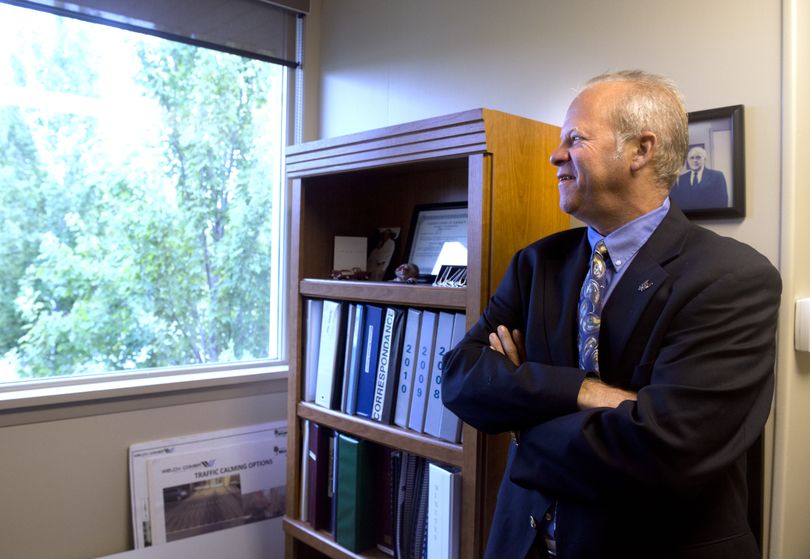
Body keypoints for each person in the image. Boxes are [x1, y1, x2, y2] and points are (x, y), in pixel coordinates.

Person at [441, 70, 781, 559]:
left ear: (641, 151)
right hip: (524, 542)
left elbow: (666, 448)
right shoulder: (536, 264)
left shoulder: (732, 278)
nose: (555, 155)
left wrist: (522, 419)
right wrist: (581, 392)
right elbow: (460, 376)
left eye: (574, 139)